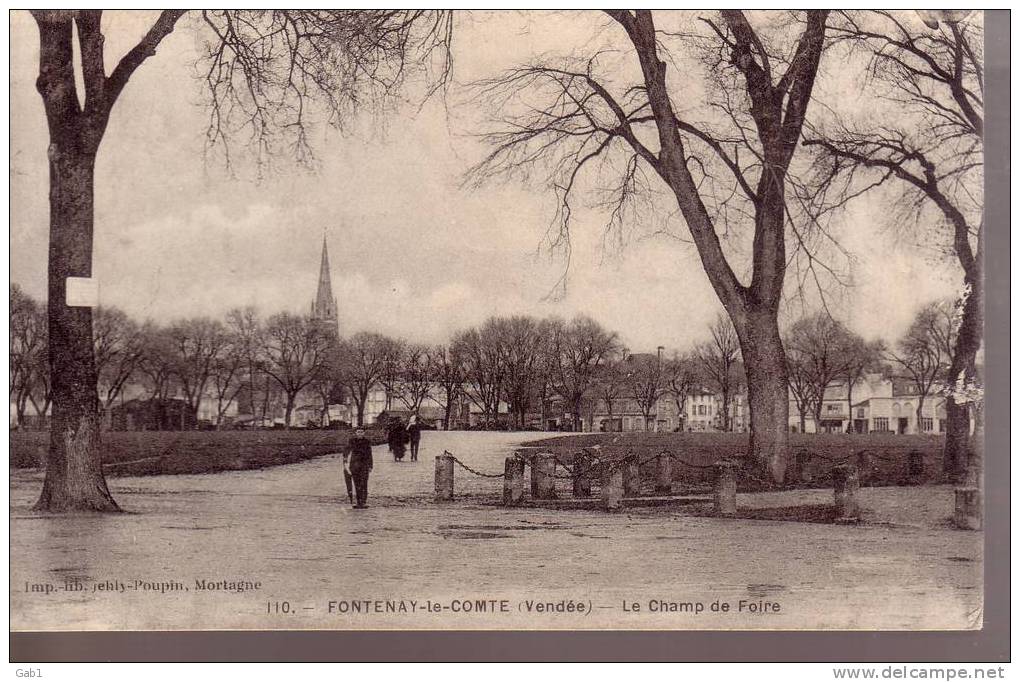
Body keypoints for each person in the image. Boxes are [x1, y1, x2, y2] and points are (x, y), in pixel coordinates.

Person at [344, 427, 373, 509]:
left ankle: (363, 502)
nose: (360, 433)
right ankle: (358, 502)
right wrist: (345, 459)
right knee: (356, 483)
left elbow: (369, 454)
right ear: (356, 433)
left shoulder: (367, 442)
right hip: (354, 465)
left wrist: (370, 465)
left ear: (364, 433)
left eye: (361, 432)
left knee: (364, 483)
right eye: (358, 432)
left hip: (364, 464)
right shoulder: (352, 441)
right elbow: (347, 450)